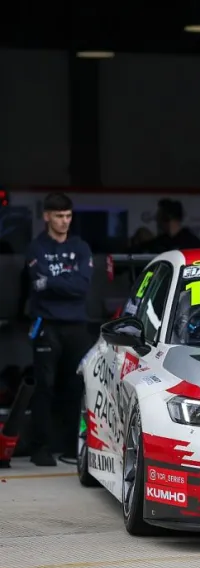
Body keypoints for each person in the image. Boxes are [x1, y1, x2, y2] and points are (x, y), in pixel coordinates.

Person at [24, 192, 95, 466]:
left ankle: (72, 446)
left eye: (68, 216)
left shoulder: (80, 246)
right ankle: (39, 448)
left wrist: (53, 282)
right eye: (59, 216)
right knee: (45, 387)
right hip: (47, 325)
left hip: (77, 325)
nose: (64, 221)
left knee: (77, 387)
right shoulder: (36, 247)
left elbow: (82, 288)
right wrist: (65, 281)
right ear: (47, 216)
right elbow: (37, 282)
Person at [135, 198, 200, 253]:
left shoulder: (192, 243)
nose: (157, 221)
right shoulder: (159, 242)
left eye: (159, 216)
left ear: (167, 217)